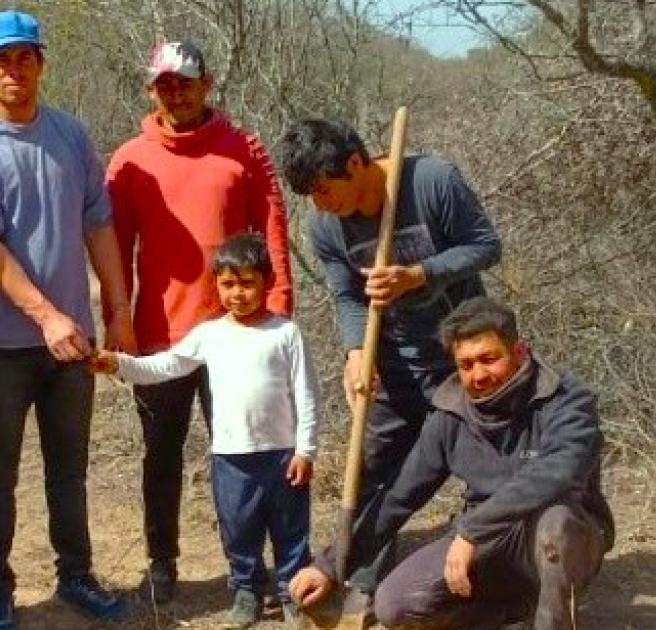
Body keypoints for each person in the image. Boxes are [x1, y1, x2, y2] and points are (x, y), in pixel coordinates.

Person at [0, 9, 136, 629]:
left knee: (69, 470)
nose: (14, 68)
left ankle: (76, 575)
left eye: (25, 56)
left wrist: (117, 309)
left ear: (42, 62)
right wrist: (46, 316)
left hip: (71, 339)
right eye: (2, 59)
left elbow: (97, 223)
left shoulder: (71, 135)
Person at [290, 296, 615, 630]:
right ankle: (513, 610)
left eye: (489, 359)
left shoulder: (567, 400)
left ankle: (553, 622)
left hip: (560, 532)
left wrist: (472, 531)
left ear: (519, 352)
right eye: (467, 364)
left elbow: (559, 472)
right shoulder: (450, 413)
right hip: (486, 540)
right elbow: (397, 499)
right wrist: (329, 566)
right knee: (394, 606)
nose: (478, 375)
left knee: (556, 523)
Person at [274, 118, 502, 591]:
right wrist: (356, 351)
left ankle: (499, 577)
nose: (320, 204)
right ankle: (359, 584)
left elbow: (485, 246)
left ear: (354, 163)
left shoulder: (431, 180)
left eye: (323, 189)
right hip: (396, 362)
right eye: (310, 196)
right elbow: (347, 295)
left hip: (464, 360)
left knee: (489, 472)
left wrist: (420, 274)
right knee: (373, 473)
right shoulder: (325, 227)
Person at [104, 39, 294, 602]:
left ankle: (254, 571)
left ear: (207, 82)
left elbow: (274, 230)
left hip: (238, 338)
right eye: (165, 83)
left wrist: (279, 306)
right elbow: (114, 247)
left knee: (245, 457)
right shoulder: (129, 159)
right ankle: (162, 562)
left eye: (186, 80)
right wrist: (119, 320)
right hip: (161, 335)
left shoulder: (244, 151)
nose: (176, 91)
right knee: (160, 455)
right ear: (150, 89)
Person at [93, 233, 318, 628]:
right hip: (231, 458)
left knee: (290, 529)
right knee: (238, 527)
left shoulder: (286, 334)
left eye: (247, 283)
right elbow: (165, 365)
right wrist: (121, 364)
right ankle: (247, 589)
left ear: (265, 281)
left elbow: (306, 395)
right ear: (216, 285)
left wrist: (306, 449)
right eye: (228, 284)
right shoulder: (211, 334)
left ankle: (292, 592)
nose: (238, 293)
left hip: (282, 455)